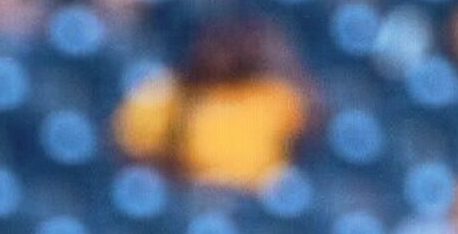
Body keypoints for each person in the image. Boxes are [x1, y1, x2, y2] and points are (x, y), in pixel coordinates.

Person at [112, 20, 312, 193]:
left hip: (254, 201)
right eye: (214, 44)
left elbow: (312, 125)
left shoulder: (272, 96)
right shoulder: (161, 94)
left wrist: (281, 56)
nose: (221, 54)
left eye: (229, 45)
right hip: (187, 198)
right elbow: (130, 151)